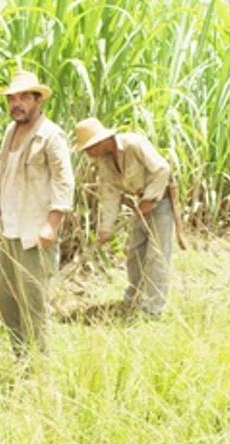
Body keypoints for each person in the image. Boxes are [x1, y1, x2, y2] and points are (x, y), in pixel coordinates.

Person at [0, 69, 74, 354]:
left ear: (38, 100)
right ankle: (21, 357)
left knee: (34, 302)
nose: (17, 103)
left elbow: (64, 180)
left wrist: (53, 223)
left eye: (24, 97)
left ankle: (40, 365)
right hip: (9, 231)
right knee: (7, 300)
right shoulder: (10, 133)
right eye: (12, 98)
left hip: (35, 232)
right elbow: (4, 178)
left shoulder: (51, 136)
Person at [75, 117, 173, 318]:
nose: (87, 153)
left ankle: (154, 309)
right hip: (141, 204)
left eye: (88, 148)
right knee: (135, 253)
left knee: (157, 255)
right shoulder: (104, 162)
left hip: (160, 200)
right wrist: (106, 229)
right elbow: (110, 194)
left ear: (99, 142)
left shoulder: (133, 144)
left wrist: (151, 198)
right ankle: (133, 300)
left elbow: (162, 169)